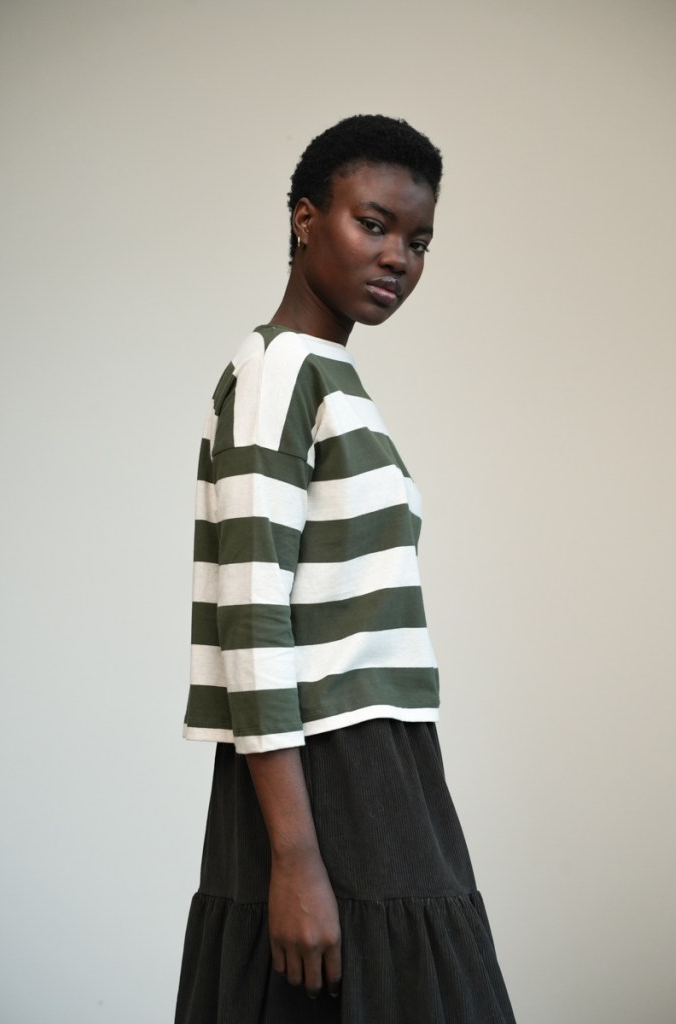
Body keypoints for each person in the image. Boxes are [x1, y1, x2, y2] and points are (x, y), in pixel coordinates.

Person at [175, 114, 516, 1024]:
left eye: (418, 241)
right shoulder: (277, 373)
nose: (397, 257)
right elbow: (251, 619)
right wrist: (294, 858)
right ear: (304, 219)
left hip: (380, 752)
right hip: (328, 766)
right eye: (373, 224)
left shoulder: (327, 378)